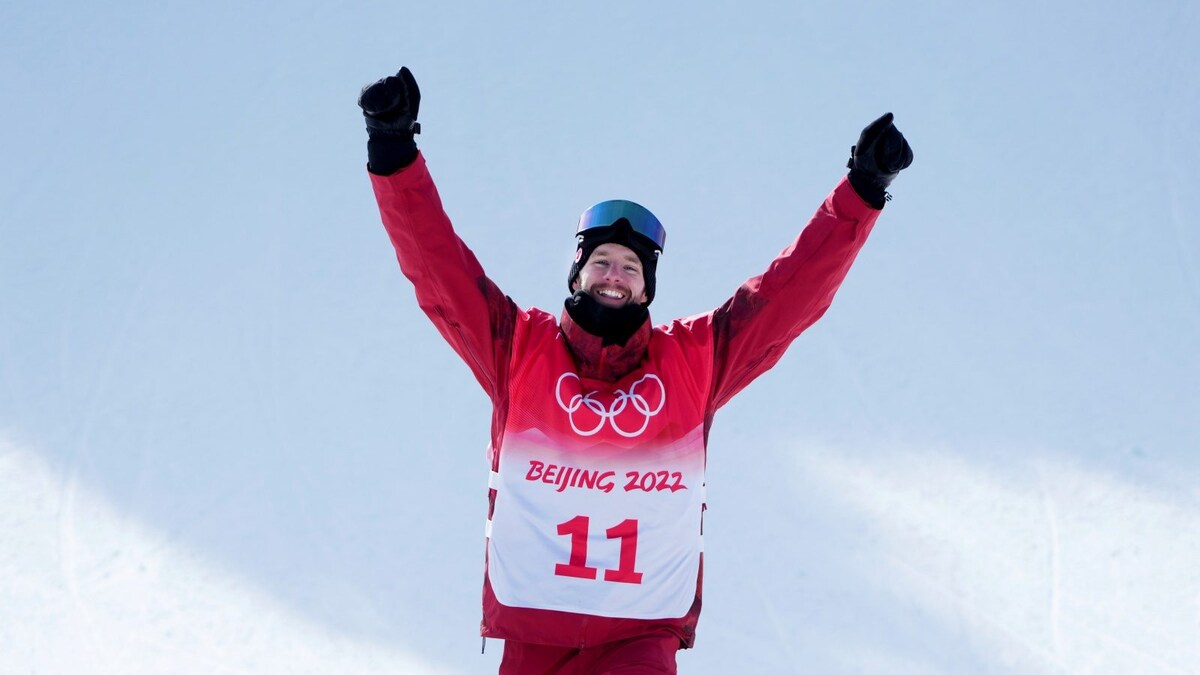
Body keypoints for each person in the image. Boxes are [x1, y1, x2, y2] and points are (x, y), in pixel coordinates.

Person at [359, 67, 912, 674]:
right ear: (577, 274)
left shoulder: (694, 361)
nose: (614, 276)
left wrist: (861, 189)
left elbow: (787, 297)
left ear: (648, 287)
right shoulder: (517, 350)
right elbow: (438, 271)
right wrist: (395, 152)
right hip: (537, 632)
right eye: (601, 262)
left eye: (630, 266)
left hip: (640, 636)